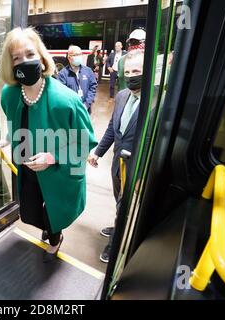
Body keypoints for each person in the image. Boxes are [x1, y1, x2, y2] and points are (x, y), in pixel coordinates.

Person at [0, 27, 98, 262]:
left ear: (42, 58)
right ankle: (47, 227)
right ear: (10, 65)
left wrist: (52, 157)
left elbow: (86, 141)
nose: (25, 61)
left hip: (59, 172)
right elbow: (15, 120)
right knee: (32, 210)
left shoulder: (67, 101)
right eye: (17, 58)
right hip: (28, 167)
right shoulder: (9, 94)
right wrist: (10, 138)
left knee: (54, 215)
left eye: (30, 54)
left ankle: (56, 238)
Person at [87, 49, 145, 263]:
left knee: (126, 204)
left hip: (137, 166)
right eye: (128, 71)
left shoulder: (155, 101)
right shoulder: (121, 96)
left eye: (137, 70)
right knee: (118, 199)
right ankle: (118, 224)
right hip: (117, 162)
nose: (131, 75)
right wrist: (98, 153)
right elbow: (113, 128)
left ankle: (116, 245)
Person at [57, 45, 98, 114]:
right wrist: (73, 107)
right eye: (76, 55)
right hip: (70, 111)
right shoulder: (62, 74)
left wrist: (86, 104)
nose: (79, 57)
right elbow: (61, 95)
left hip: (86, 110)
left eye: (80, 54)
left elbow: (93, 87)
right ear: (69, 57)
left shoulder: (88, 71)